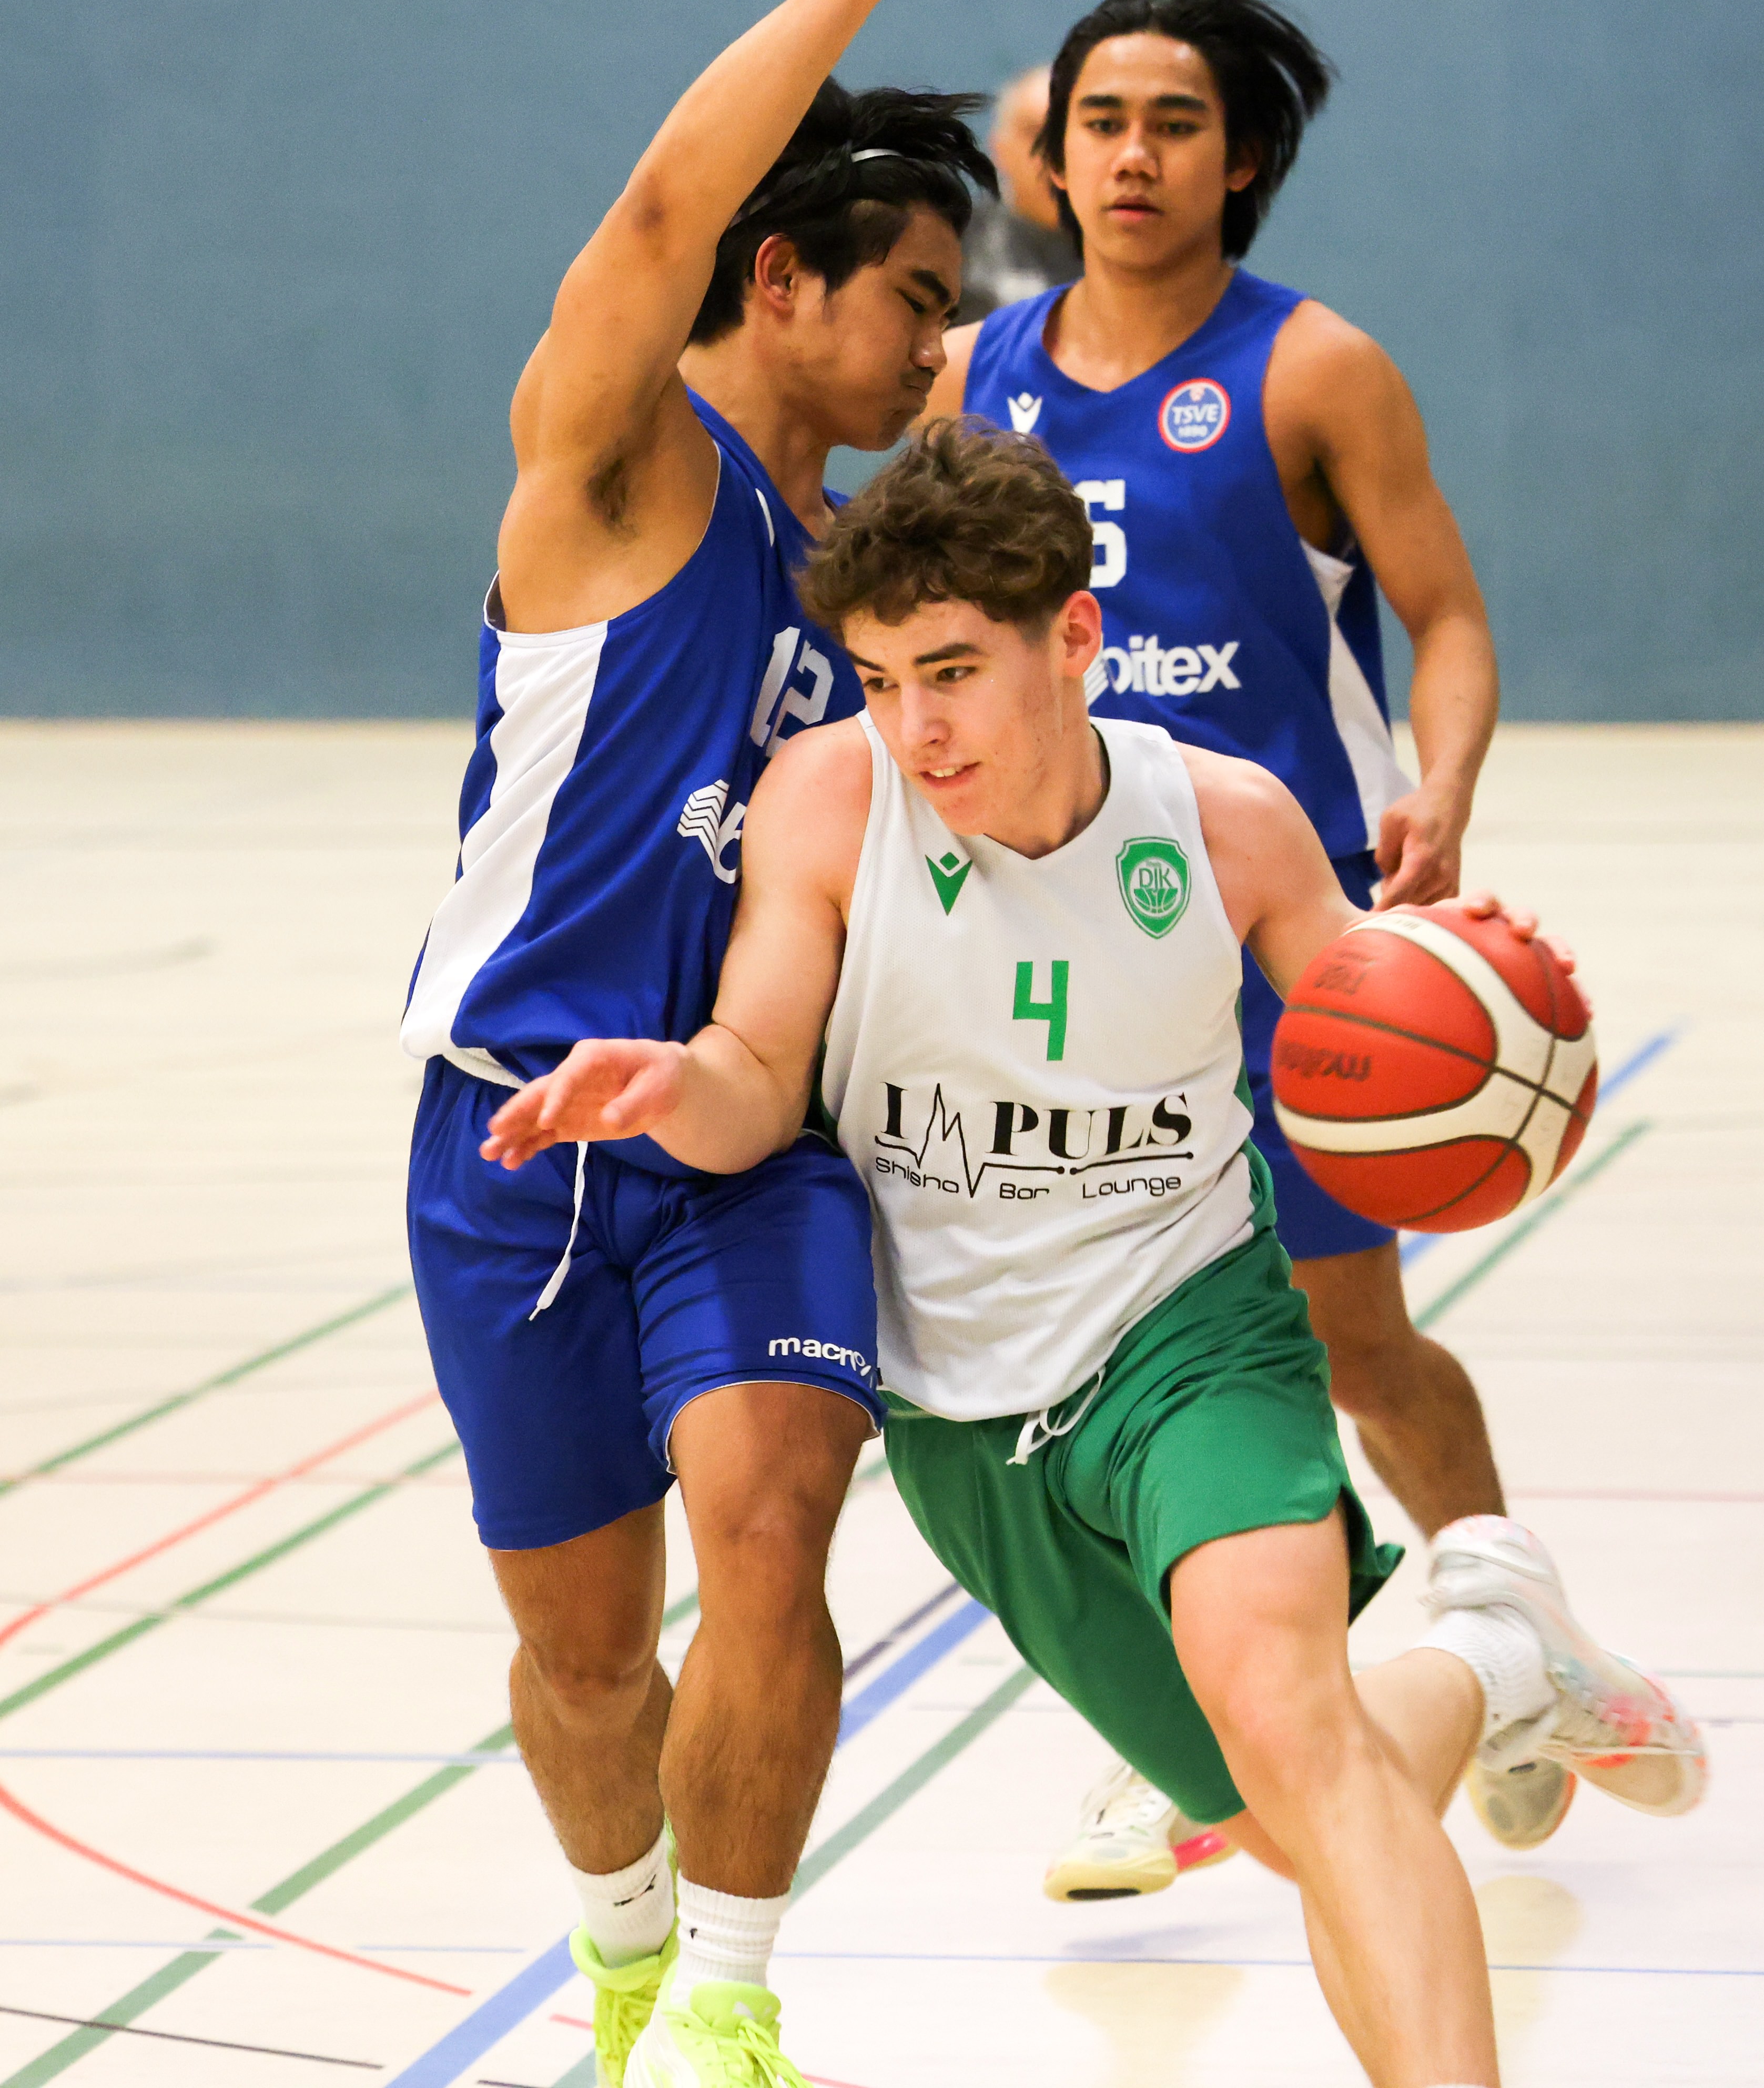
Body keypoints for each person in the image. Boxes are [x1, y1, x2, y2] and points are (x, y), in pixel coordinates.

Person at [481, 423, 1705, 2088]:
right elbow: (756, 1069)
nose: (915, 725)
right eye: (879, 679)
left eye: (952, 672)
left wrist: (1494, 1031)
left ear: (1073, 637)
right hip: (968, 1418)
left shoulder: (1228, 824)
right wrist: (668, 1089)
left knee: (1292, 1731)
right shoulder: (831, 801)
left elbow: (1388, 1024)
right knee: (1290, 1815)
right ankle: (1498, 1663)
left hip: (1188, 1333)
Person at [399, 0, 1013, 2088]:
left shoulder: (870, 580)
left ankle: (735, 2011)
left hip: (754, 1143)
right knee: (587, 1664)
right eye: (916, 297)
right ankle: (632, 1959)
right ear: (782, 283)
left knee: (770, 1533)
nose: (939, 345)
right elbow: (661, 207)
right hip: (514, 1143)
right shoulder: (618, 460)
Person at [926, 0, 1558, 1888]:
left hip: (1281, 939)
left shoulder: (1311, 368)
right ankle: (1192, 1726)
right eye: (1098, 120)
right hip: (1061, 957)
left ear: (1243, 156)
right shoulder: (970, 378)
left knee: (1350, 1338)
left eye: (1172, 121)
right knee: (1105, 1348)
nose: (1129, 154)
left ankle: (1502, 1620)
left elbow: (1445, 616)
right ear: (1047, 158)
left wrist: (1441, 787)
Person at [954, 63, 1080, 323]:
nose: (1055, 153)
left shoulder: (1145, 244)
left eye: (1071, 132)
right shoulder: (953, 246)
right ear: (999, 148)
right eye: (1035, 133)